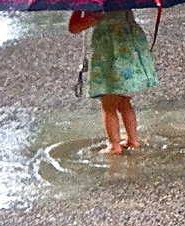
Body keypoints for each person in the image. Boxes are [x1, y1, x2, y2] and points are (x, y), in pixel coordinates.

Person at [68, 9, 159, 154]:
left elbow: (74, 28)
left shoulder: (97, 8)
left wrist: (77, 7)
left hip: (111, 61)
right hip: (129, 58)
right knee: (123, 102)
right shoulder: (122, 0)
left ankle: (114, 145)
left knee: (108, 105)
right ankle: (132, 140)